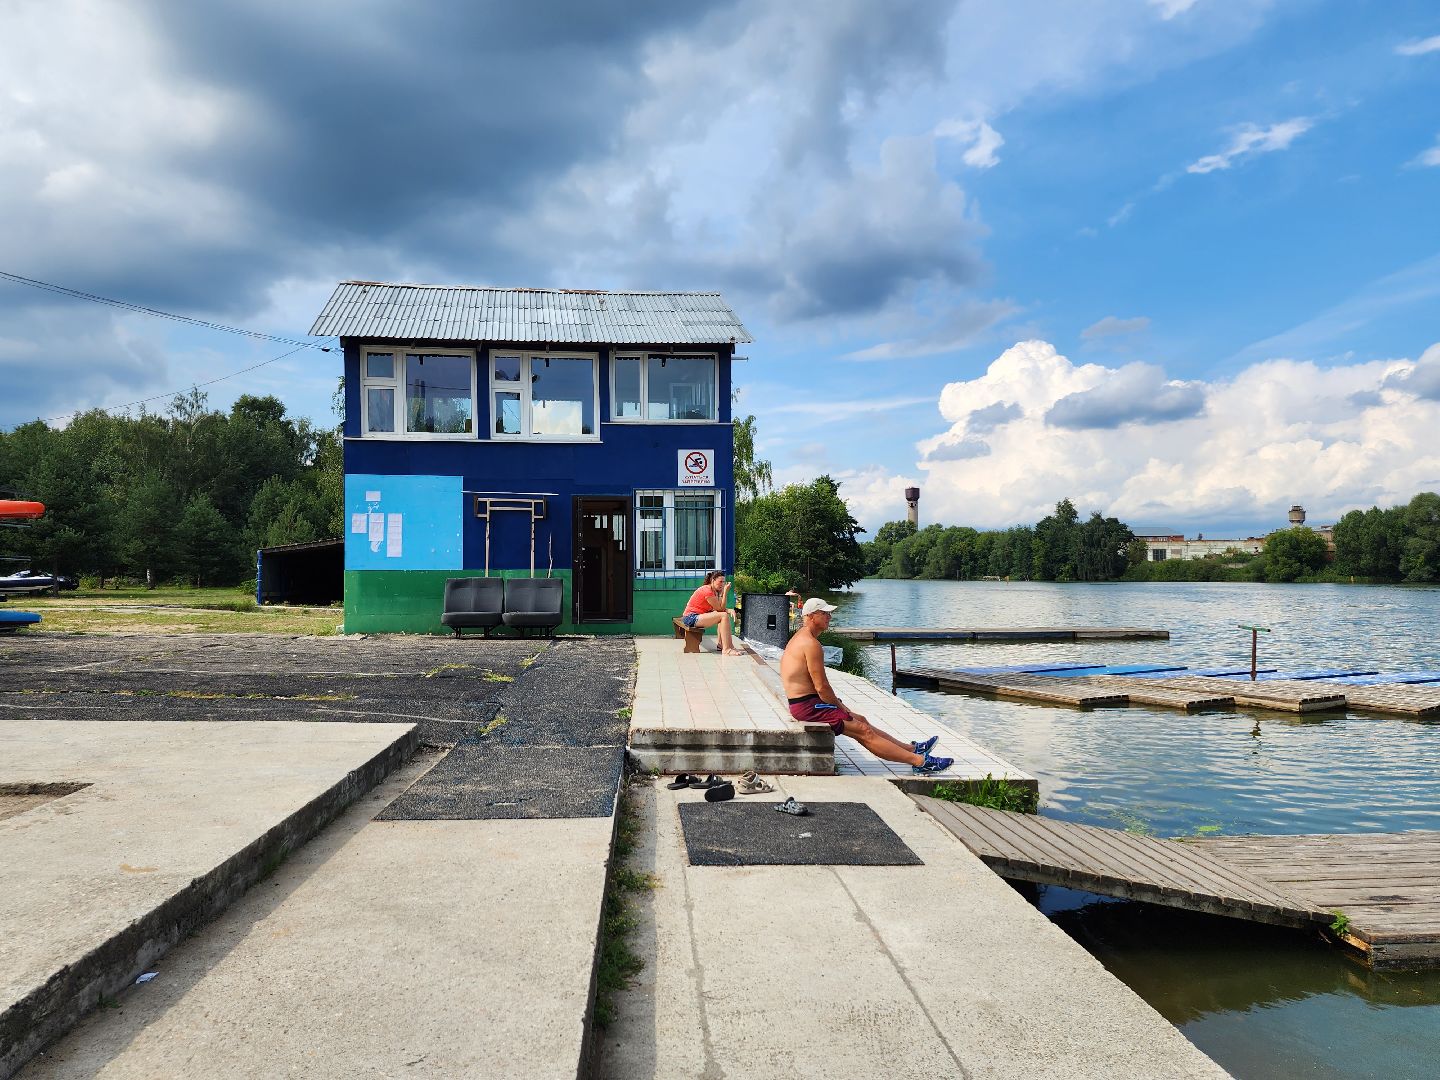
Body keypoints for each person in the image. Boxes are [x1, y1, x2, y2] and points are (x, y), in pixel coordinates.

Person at [780, 597, 953, 774]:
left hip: (807, 703)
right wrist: (841, 707)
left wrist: (839, 706)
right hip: (808, 707)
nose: (829, 617)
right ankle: (920, 762)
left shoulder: (801, 638)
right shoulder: (811, 644)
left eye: (829, 613)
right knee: (863, 731)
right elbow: (822, 687)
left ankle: (912, 749)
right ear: (811, 616)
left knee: (861, 720)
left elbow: (818, 688)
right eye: (825, 613)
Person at [681, 570, 744, 656]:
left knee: (722, 616)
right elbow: (720, 609)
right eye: (720, 582)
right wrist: (725, 592)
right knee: (723, 616)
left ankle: (722, 645)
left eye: (724, 582)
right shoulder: (707, 590)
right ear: (713, 580)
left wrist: (728, 609)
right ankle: (727, 649)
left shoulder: (714, 591)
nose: (722, 584)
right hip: (690, 618)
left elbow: (720, 608)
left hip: (697, 616)